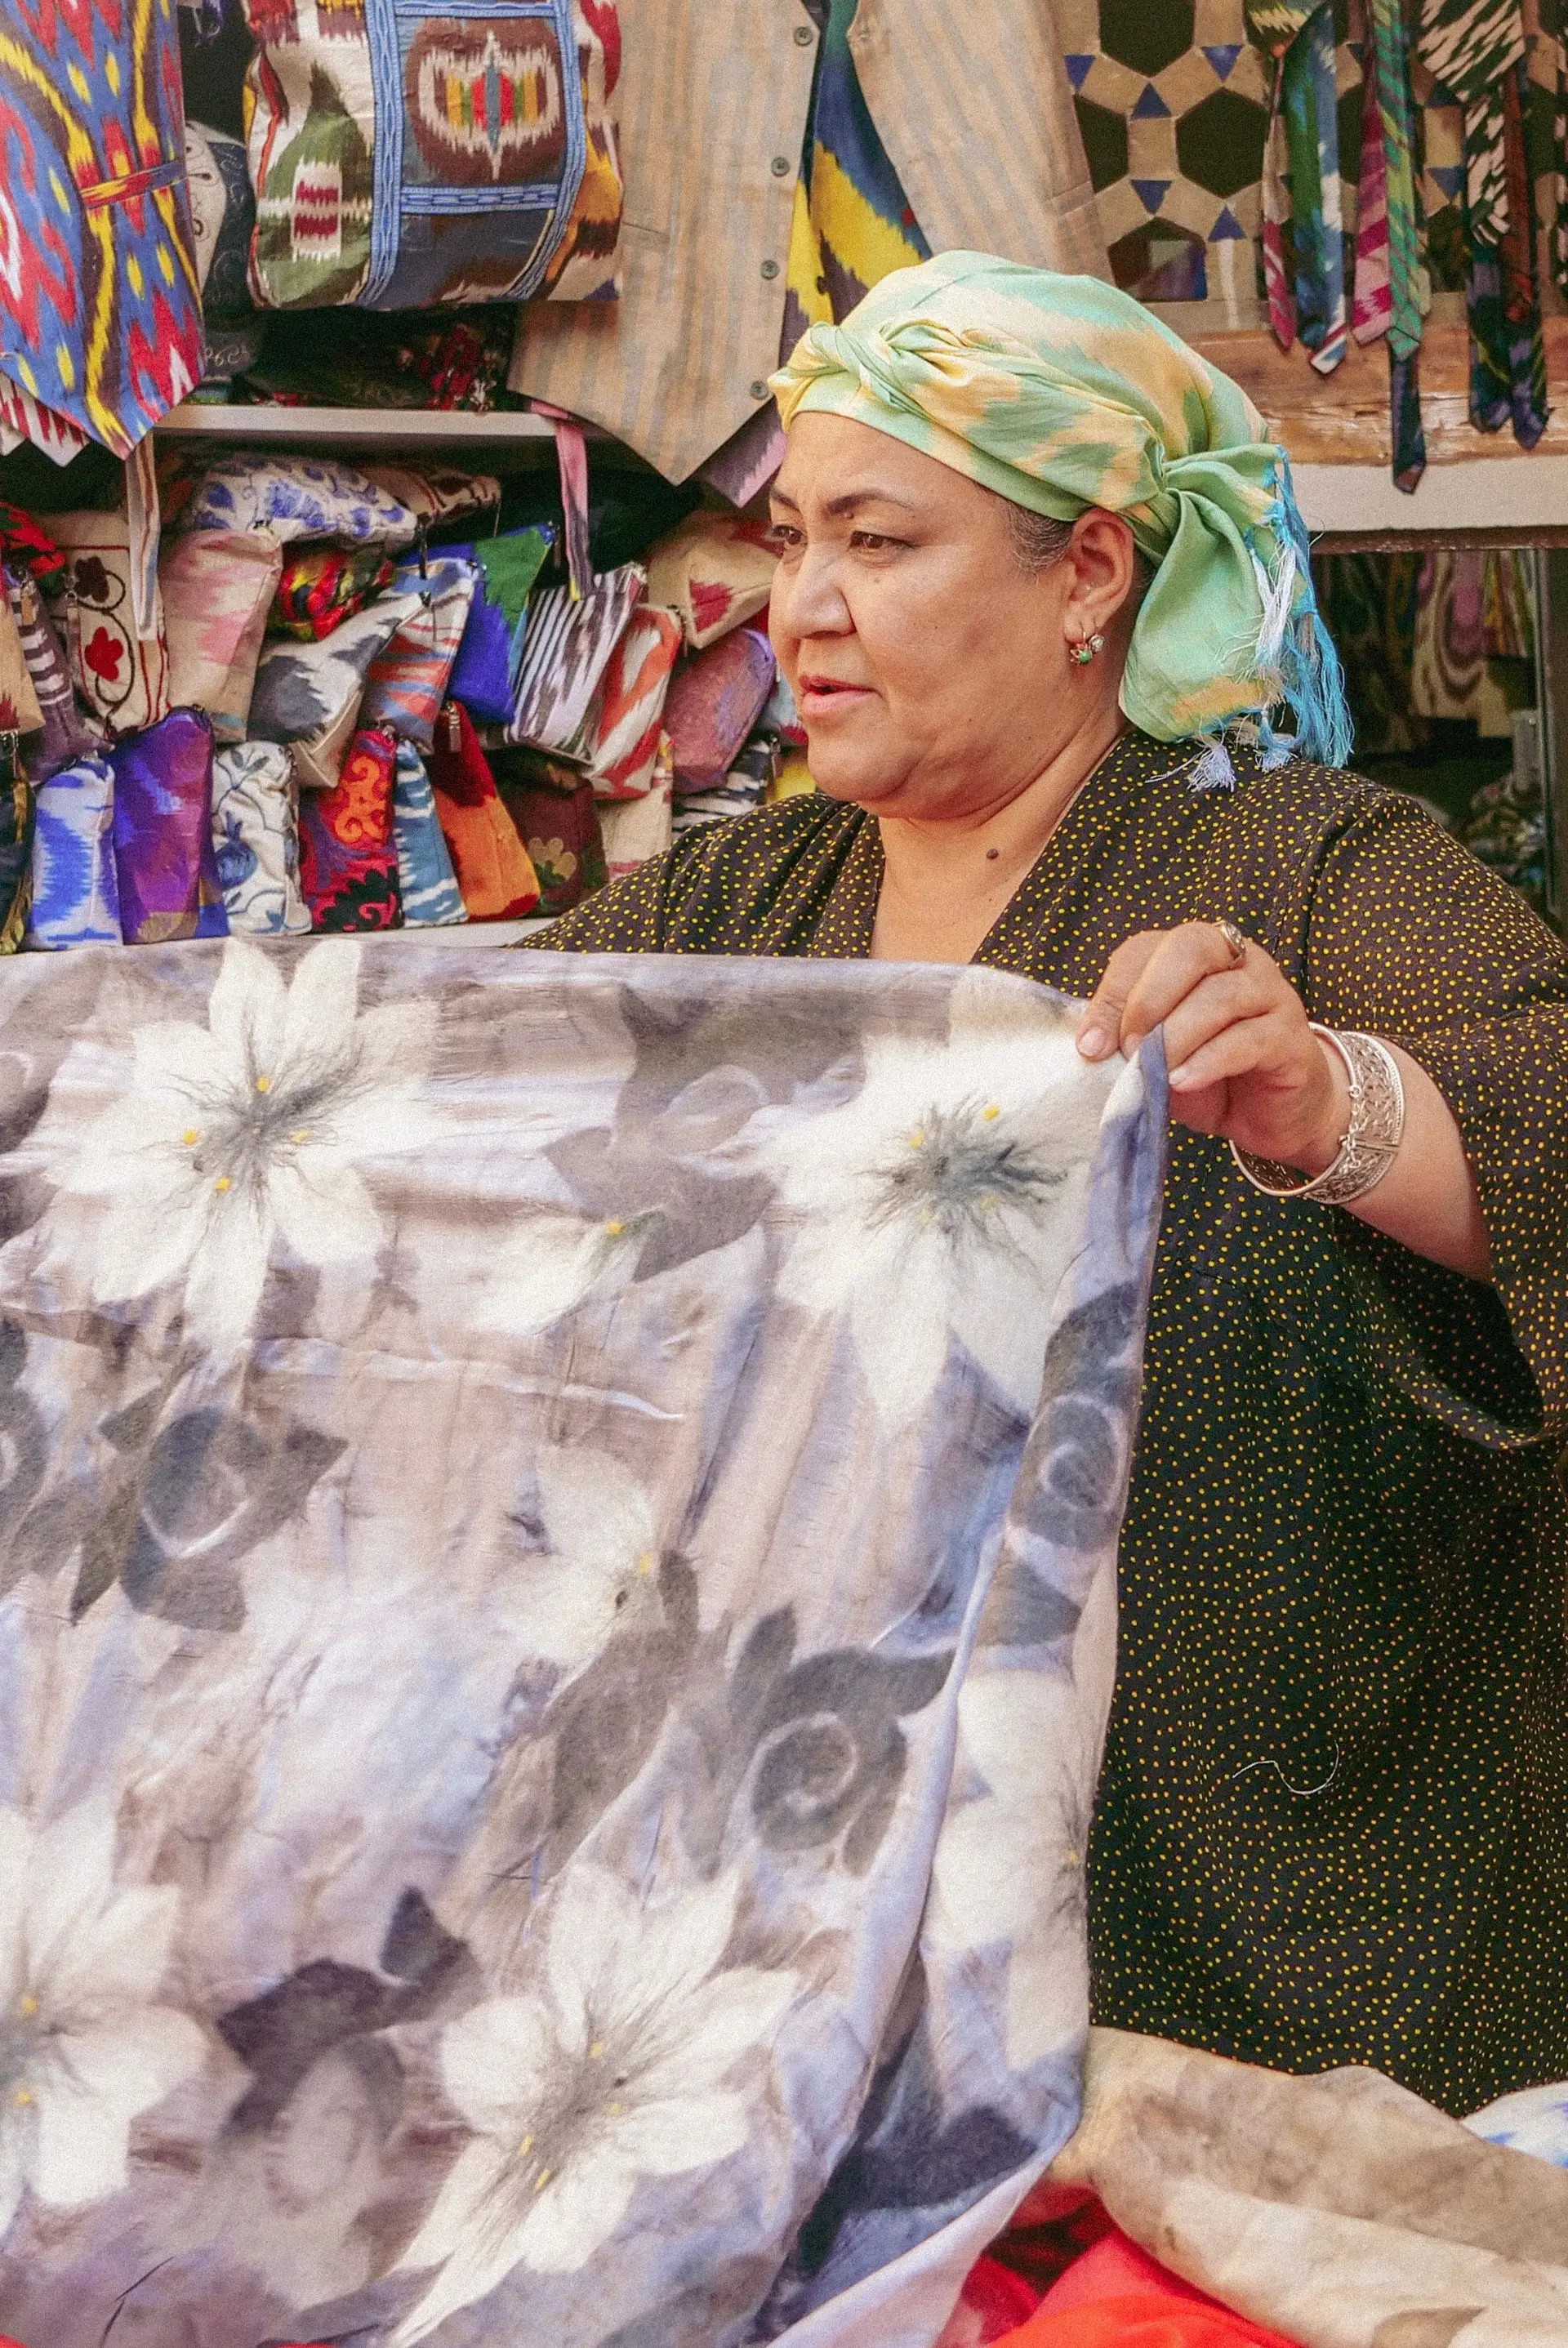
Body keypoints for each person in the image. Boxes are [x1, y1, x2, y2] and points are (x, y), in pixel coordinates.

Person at [526, 252, 1568, 2116]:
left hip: (1267, 1909)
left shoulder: (1313, 875)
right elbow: (434, 1097)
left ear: (1088, 575)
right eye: (789, 541)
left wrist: (1332, 1104)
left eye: (881, 541)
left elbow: (1545, 1122)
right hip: (833, 1912)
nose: (804, 611)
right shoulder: (732, 917)